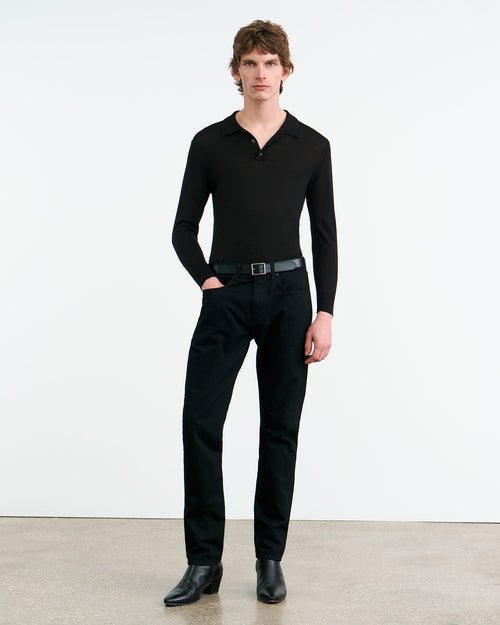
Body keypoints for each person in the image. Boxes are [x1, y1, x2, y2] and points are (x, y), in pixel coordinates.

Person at [164, 19, 338, 606]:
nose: (260, 74)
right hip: (228, 295)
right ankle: (203, 562)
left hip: (290, 296)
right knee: (200, 421)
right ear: (236, 71)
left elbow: (325, 236)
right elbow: (183, 228)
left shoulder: (311, 145)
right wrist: (209, 282)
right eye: (250, 63)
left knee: (279, 428)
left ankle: (269, 561)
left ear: (285, 72)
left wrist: (325, 311)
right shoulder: (210, 143)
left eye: (270, 63)